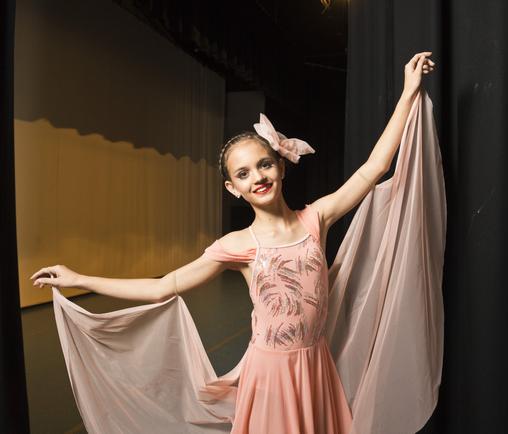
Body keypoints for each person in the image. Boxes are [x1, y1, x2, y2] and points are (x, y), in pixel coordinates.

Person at [31, 51, 440, 434]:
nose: (257, 177)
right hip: (271, 375)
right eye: (243, 174)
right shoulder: (238, 245)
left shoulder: (316, 218)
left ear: (281, 166)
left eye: (264, 164)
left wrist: (407, 93)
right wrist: (80, 277)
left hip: (315, 366)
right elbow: (162, 286)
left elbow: (375, 167)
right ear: (233, 188)